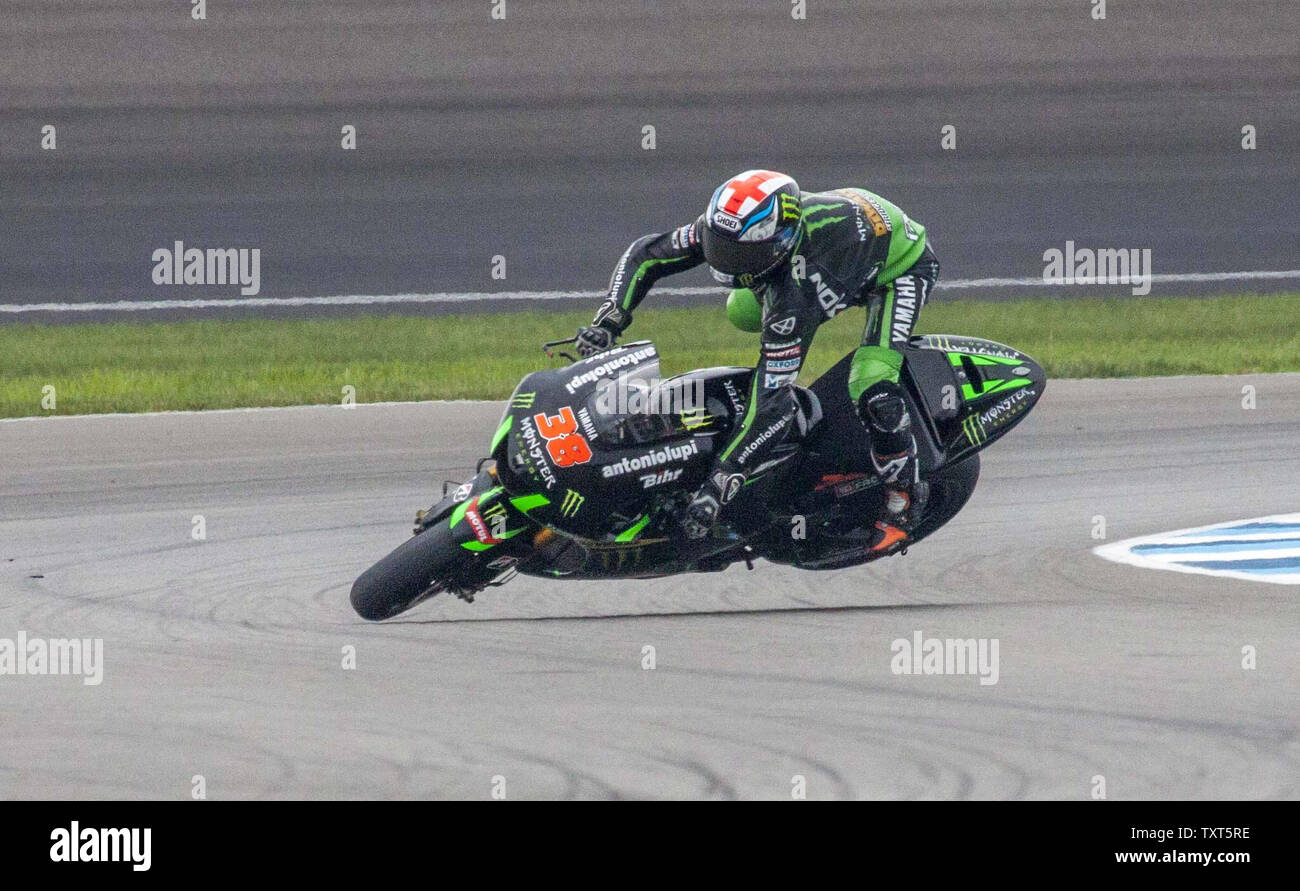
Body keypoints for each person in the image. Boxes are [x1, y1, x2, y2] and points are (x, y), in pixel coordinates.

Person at [576, 170, 938, 552]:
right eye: (718, 244)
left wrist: (719, 484)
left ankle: (905, 494)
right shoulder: (736, 230)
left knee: (871, 385)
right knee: (742, 312)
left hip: (899, 266)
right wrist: (610, 318)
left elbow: (776, 403)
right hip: (841, 236)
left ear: (778, 244)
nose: (723, 259)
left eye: (738, 254)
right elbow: (647, 253)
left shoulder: (795, 298)